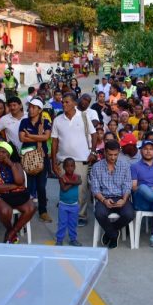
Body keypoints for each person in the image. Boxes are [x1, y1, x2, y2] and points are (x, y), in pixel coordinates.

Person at [51, 93, 97, 225]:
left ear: (74, 103)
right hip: (63, 161)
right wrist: (53, 161)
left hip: (81, 159)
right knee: (65, 189)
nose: (64, 104)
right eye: (63, 102)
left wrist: (93, 152)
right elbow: (54, 142)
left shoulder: (83, 117)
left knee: (81, 190)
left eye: (67, 102)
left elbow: (93, 134)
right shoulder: (58, 120)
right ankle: (67, 215)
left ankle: (81, 215)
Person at [0, 141, 35, 243]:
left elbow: (20, 181)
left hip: (15, 196)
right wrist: (15, 186)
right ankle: (11, 230)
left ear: (9, 154)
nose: (0, 154)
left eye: (4, 152)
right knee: (5, 211)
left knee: (31, 208)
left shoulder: (16, 165)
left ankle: (11, 233)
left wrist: (11, 165)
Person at [90, 140, 134, 248]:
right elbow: (95, 188)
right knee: (99, 213)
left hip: (120, 197)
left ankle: (110, 231)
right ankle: (114, 235)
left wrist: (124, 199)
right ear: (105, 152)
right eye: (110, 154)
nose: (113, 157)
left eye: (115, 154)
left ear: (119, 152)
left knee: (129, 214)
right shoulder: (96, 167)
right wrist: (104, 200)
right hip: (104, 198)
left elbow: (127, 185)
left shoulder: (125, 166)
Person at [18, 99, 52, 223]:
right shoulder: (24, 121)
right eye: (30, 107)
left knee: (41, 186)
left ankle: (43, 211)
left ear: (39, 110)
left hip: (41, 158)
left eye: (34, 107)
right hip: (27, 157)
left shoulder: (45, 122)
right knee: (27, 186)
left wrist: (30, 136)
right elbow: (22, 138)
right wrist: (38, 137)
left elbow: (46, 137)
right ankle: (26, 211)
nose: (30, 109)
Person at [56, 157, 83, 246]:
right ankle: (59, 240)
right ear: (63, 167)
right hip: (63, 205)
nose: (69, 168)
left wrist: (69, 182)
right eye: (67, 166)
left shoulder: (77, 176)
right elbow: (64, 189)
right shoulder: (61, 178)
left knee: (73, 224)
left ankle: (73, 239)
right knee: (62, 223)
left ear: (75, 167)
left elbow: (80, 181)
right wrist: (73, 182)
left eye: (72, 166)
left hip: (74, 205)